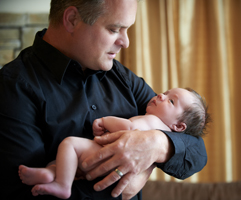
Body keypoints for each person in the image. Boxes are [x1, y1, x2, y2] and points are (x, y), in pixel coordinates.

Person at [0, 0, 208, 199]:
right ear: (72, 19)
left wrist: (157, 144)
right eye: (114, 29)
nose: (125, 42)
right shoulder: (13, 88)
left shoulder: (122, 77)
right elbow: (21, 194)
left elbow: (197, 152)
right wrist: (124, 189)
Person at [18, 87, 209, 199]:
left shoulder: (153, 122)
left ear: (178, 126)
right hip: (110, 169)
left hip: (106, 156)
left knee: (69, 145)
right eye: (165, 93)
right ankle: (51, 174)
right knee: (69, 162)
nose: (161, 96)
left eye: (171, 101)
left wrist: (106, 120)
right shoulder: (156, 119)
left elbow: (130, 130)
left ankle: (61, 184)